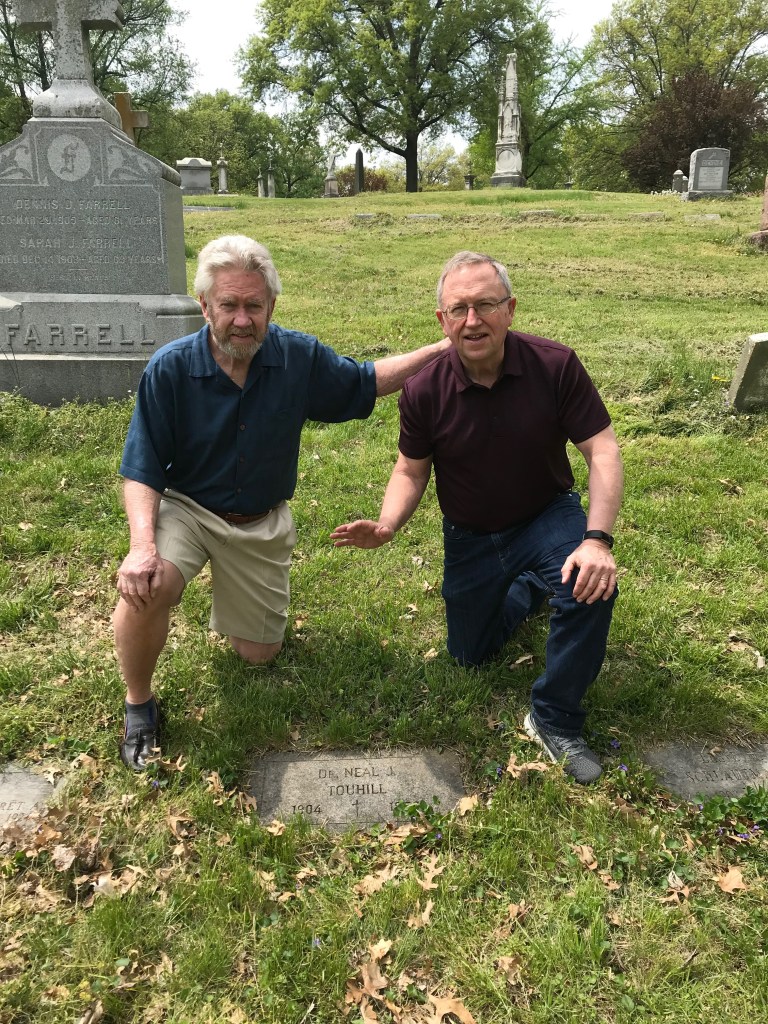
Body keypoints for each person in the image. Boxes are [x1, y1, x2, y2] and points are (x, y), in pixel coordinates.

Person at [114, 235, 451, 771]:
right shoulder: (170, 368)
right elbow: (141, 467)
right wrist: (140, 547)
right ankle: (139, 704)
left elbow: (365, 382)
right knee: (149, 586)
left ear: (272, 306)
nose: (241, 320)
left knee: (259, 655)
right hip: (190, 509)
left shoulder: (297, 356)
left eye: (254, 305)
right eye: (228, 305)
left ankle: (235, 600)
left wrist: (442, 347)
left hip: (260, 519)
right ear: (205, 307)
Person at [331, 251, 623, 784]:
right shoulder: (423, 389)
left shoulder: (555, 366)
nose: (473, 320)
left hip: (545, 515)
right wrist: (388, 524)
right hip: (469, 537)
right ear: (441, 321)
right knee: (470, 655)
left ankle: (554, 717)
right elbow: (411, 471)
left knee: (587, 581)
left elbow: (602, 451)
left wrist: (597, 540)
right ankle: (533, 588)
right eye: (459, 309)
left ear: (510, 309)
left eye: (486, 305)